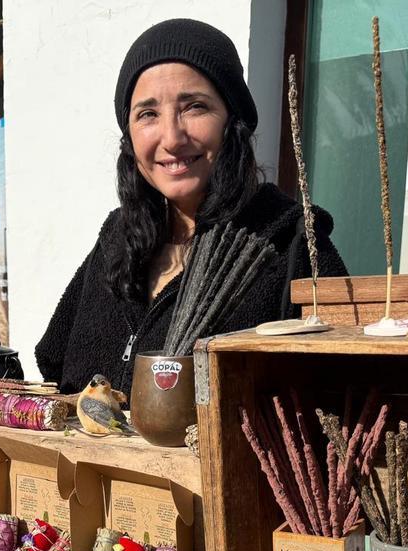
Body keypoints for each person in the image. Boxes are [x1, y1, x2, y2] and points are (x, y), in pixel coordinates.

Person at [36, 18, 347, 395]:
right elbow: (54, 363)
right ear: (130, 138)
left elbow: (338, 399)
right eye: (147, 114)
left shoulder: (291, 246)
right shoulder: (116, 240)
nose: (171, 137)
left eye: (195, 107)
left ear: (233, 120)